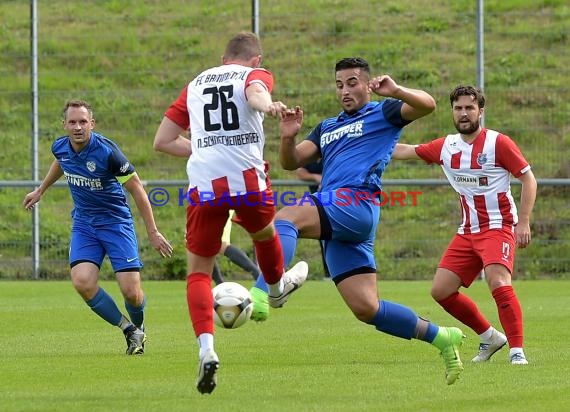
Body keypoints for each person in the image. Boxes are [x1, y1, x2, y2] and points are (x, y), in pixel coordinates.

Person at [251, 57, 466, 385]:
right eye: (340, 85)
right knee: (367, 309)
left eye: (352, 83)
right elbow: (290, 162)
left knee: (286, 218)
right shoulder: (327, 127)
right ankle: (441, 338)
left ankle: (265, 291)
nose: (345, 90)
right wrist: (287, 137)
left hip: (355, 203)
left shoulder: (383, 112)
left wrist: (395, 90)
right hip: (338, 217)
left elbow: (427, 105)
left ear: (367, 84)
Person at [153, 31, 308, 394]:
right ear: (256, 60)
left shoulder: (194, 84)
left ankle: (207, 350)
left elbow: (162, 141)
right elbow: (256, 92)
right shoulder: (254, 74)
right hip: (248, 182)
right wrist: (267, 106)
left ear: (224, 58)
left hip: (205, 185)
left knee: (198, 273)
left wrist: (205, 147)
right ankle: (275, 289)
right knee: (266, 234)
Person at [392, 85, 537, 365]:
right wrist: (368, 143)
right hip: (467, 231)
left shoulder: (498, 143)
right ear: (452, 111)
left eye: (470, 107)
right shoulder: (447, 146)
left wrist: (524, 222)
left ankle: (517, 351)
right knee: (441, 291)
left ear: (480, 111)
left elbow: (529, 179)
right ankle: (490, 336)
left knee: (498, 281)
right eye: (458, 108)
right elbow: (407, 150)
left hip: (498, 226)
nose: (464, 113)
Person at [23, 99, 173, 355]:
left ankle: (140, 329)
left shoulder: (108, 153)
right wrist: (41, 189)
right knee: (82, 282)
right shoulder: (60, 146)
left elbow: (136, 188)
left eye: (83, 121)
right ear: (65, 125)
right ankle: (129, 330)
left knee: (132, 293)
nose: (78, 127)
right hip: (84, 224)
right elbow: (61, 161)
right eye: (72, 122)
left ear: (92, 124)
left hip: (116, 224)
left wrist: (153, 231)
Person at [295, 160, 330, 278]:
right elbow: (300, 171)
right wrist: (315, 177)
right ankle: (329, 274)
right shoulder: (313, 148)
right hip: (319, 205)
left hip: (340, 201)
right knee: (325, 238)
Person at [211, 211, 262, 285]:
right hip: (205, 204)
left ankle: (256, 273)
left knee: (221, 244)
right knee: (204, 246)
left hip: (216, 204)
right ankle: (219, 283)